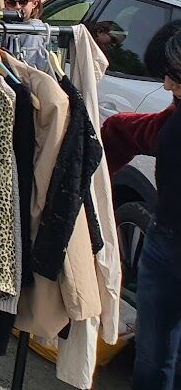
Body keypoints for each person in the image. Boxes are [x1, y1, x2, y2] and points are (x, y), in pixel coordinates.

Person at [99, 22, 181, 389]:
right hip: (164, 246)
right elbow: (143, 131)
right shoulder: (175, 112)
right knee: (153, 357)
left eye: (175, 77)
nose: (167, 87)